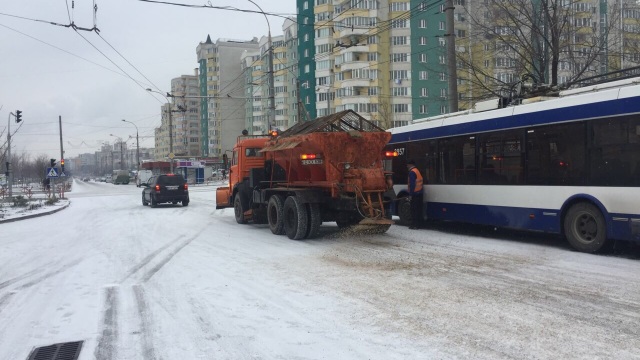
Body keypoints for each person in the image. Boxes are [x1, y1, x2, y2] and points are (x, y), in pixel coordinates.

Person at [406, 159, 424, 229]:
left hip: (415, 194)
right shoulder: (417, 171)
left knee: (413, 210)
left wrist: (410, 195)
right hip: (420, 193)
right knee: (418, 210)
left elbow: (412, 184)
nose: (407, 166)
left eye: (407, 164)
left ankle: (414, 225)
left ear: (410, 165)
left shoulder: (412, 172)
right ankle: (419, 224)